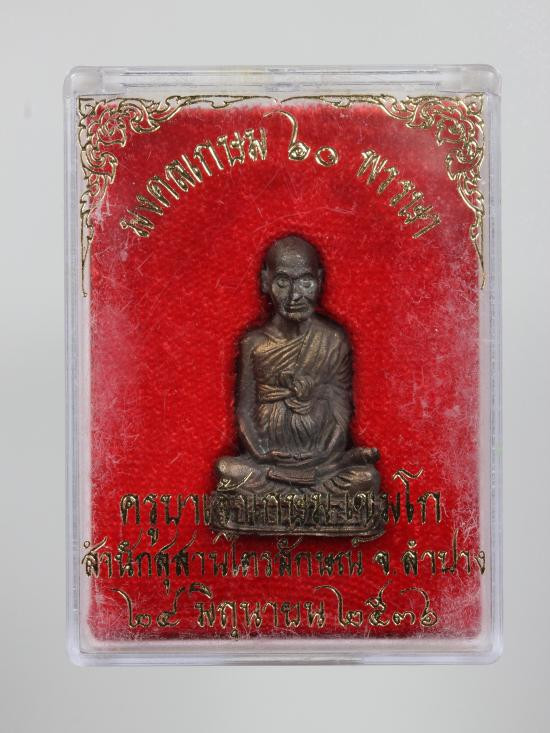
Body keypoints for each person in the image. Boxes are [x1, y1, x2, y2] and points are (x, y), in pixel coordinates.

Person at [215, 234, 381, 504]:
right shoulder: (254, 344)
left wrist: (327, 452)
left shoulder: (333, 340)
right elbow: (244, 409)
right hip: (268, 467)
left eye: (306, 282)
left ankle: (287, 503)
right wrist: (260, 453)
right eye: (283, 283)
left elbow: (341, 407)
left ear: (319, 280)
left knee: (366, 479)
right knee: (227, 471)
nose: (295, 296)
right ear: (266, 281)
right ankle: (305, 503)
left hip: (322, 467)